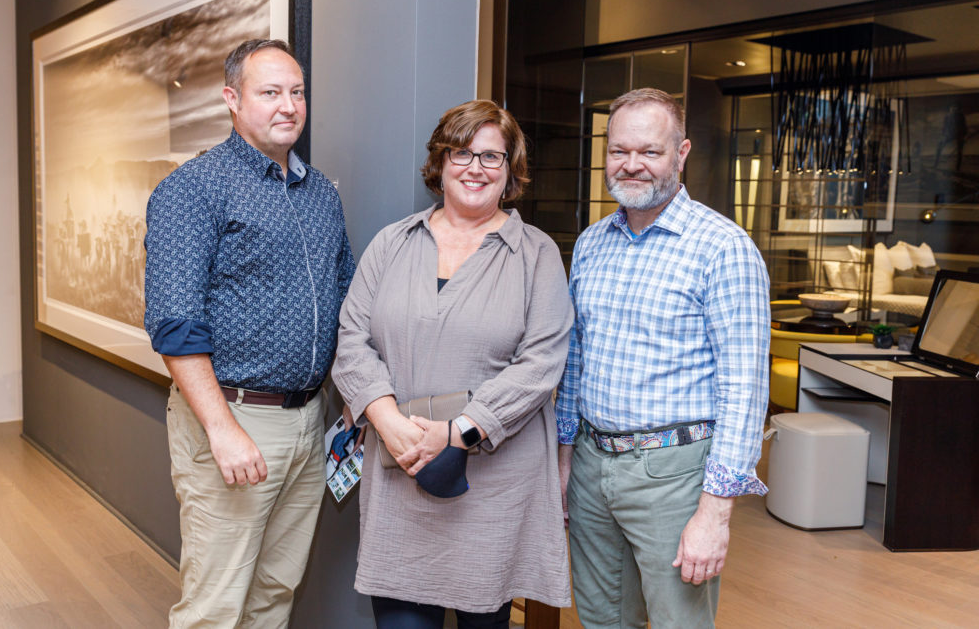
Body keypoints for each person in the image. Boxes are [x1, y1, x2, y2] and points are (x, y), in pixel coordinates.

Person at [332, 99, 573, 628]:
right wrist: (388, 421)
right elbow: (351, 340)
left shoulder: (536, 255)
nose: (475, 168)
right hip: (400, 470)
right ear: (440, 162)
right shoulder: (391, 243)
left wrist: (458, 431)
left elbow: (541, 363)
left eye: (492, 157)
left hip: (495, 486)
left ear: (510, 172)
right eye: (462, 153)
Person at [144, 38, 355, 628]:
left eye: (297, 92)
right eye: (270, 93)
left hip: (308, 422)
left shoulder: (320, 195)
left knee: (274, 593)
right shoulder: (193, 190)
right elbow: (175, 324)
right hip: (234, 419)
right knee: (216, 605)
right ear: (232, 99)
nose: (288, 106)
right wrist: (222, 430)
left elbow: (346, 298)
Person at [557, 88, 770, 628]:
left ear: (682, 153)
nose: (631, 165)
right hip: (590, 463)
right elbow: (575, 359)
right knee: (601, 620)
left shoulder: (723, 248)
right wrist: (565, 460)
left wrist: (715, 513)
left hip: (675, 474)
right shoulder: (590, 244)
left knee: (680, 623)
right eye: (619, 150)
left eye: (649, 151)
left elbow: (744, 389)